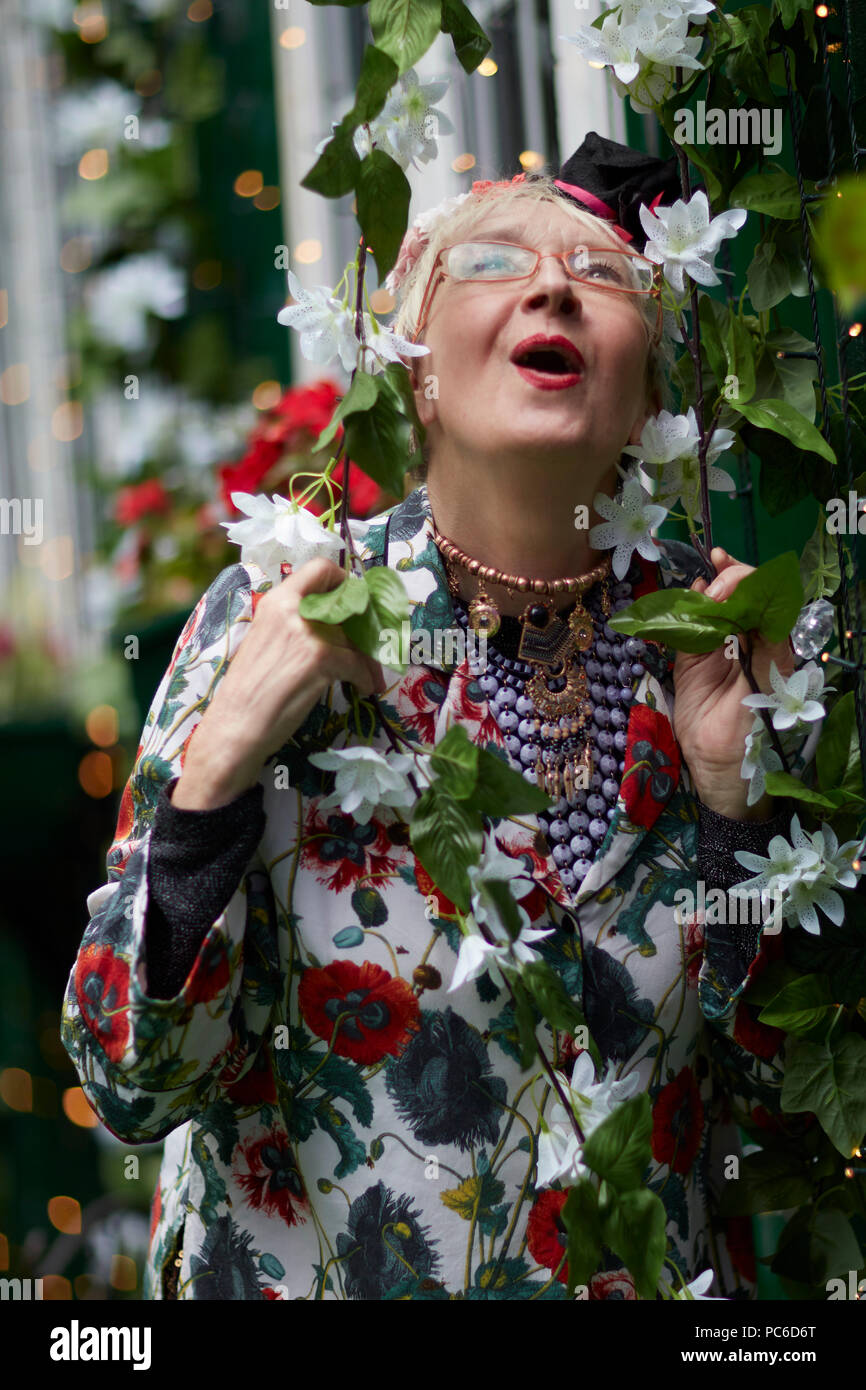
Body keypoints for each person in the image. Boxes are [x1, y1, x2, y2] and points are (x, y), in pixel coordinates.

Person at [62, 135, 796, 1301]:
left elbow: (787, 1101)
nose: (552, 285)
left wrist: (730, 809)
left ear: (644, 390)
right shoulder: (292, 607)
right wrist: (218, 767)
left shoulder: (704, 640)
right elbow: (131, 1082)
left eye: (602, 274)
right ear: (419, 370)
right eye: (497, 261)